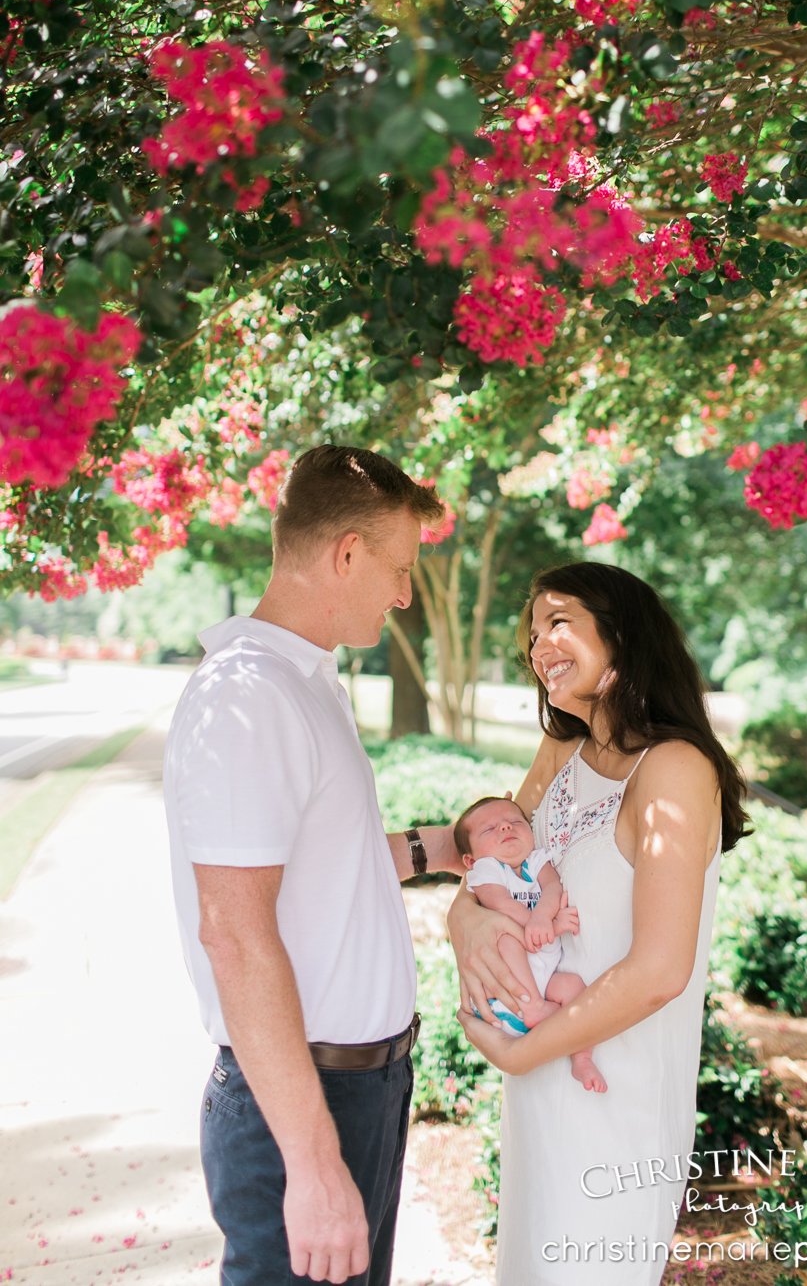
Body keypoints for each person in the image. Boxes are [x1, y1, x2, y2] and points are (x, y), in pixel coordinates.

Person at [162, 445, 468, 1286]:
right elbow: (233, 929)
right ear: (346, 554)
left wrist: (440, 848)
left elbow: (314, 867)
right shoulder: (251, 696)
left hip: (354, 1093)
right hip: (300, 1105)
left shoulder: (302, 681)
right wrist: (313, 1159)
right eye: (399, 568)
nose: (405, 594)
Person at [448, 562, 751, 1286]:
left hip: (616, 1091)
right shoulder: (564, 750)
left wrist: (524, 1053)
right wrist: (463, 917)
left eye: (559, 623)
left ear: (621, 637)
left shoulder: (673, 768)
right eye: (531, 633)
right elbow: (494, 860)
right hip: (539, 1081)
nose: (537, 644)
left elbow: (659, 971)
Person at [456, 795, 607, 1091]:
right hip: (503, 997)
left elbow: (552, 887)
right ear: (470, 859)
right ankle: (534, 1006)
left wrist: (542, 916)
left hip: (543, 975)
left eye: (514, 822)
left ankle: (582, 1058)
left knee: (573, 986)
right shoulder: (485, 870)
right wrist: (548, 925)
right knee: (504, 936)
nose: (504, 829)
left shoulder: (536, 861)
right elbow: (500, 905)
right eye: (490, 830)